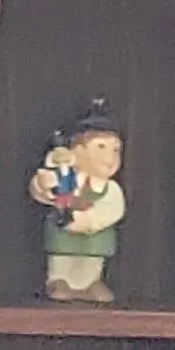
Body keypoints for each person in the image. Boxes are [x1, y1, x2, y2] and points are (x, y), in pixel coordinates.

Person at [33, 107, 125, 304]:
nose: (110, 157)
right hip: (64, 231)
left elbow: (114, 209)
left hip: (94, 235)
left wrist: (90, 221)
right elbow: (43, 190)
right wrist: (44, 186)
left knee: (92, 261)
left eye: (116, 149)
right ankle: (59, 280)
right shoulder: (66, 177)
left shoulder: (110, 188)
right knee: (62, 257)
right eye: (101, 147)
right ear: (77, 149)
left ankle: (91, 282)